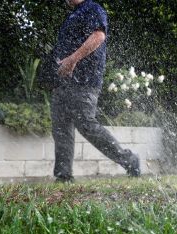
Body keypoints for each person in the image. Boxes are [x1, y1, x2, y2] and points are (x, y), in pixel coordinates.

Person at [50, 0, 140, 182]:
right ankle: (63, 176)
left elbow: (98, 36)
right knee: (61, 127)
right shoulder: (73, 14)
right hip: (63, 82)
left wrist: (73, 60)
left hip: (85, 80)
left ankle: (129, 160)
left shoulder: (93, 8)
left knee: (86, 124)